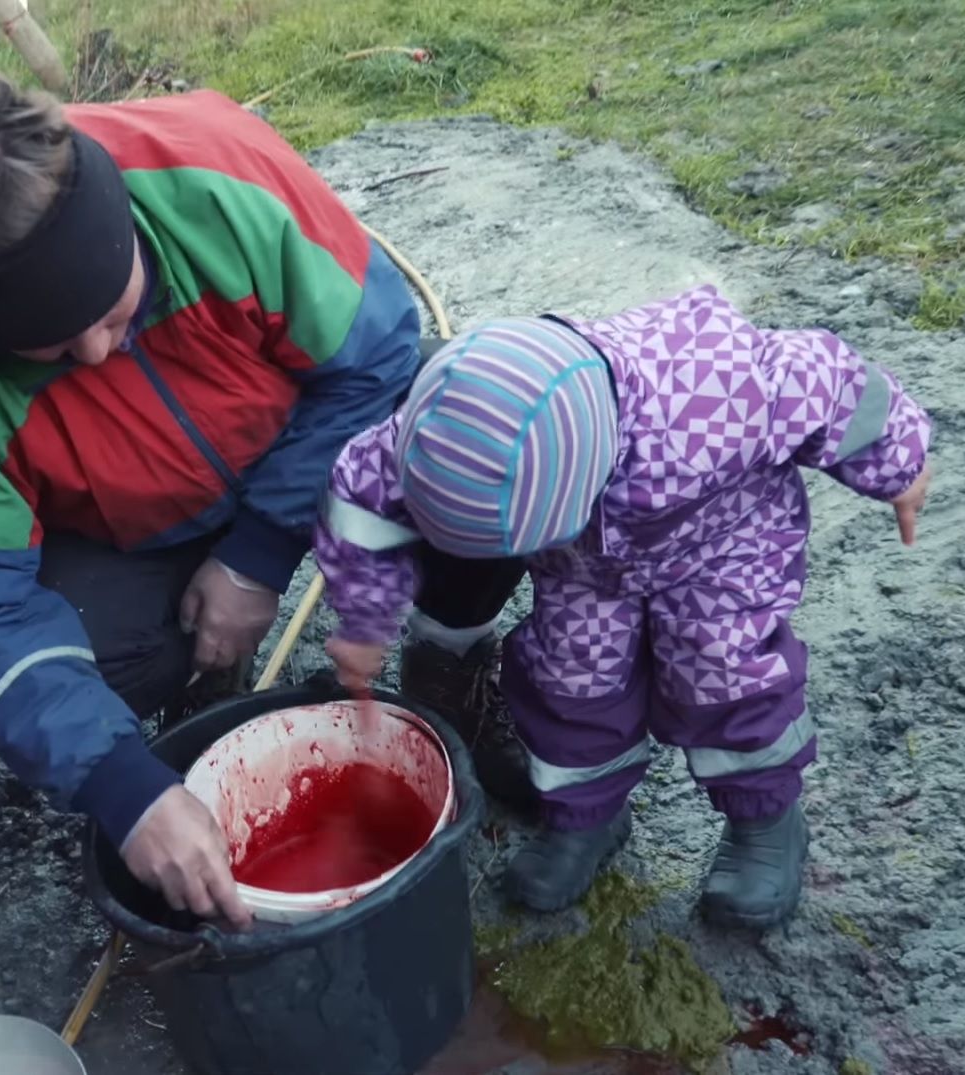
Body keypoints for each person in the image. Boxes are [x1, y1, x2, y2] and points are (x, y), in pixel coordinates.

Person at [0, 70, 523, 927]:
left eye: (116, 315)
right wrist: (124, 787)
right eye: (55, 352)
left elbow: (375, 355)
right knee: (90, 664)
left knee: (487, 435)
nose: (97, 356)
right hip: (136, 534)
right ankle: (203, 685)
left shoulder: (215, 171)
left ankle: (449, 662)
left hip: (311, 448)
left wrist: (257, 553)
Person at [314, 288, 933, 927]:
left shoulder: (712, 395)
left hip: (721, 547)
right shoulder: (439, 429)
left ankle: (765, 821)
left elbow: (833, 382)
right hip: (584, 570)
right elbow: (359, 504)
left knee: (724, 676)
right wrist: (365, 618)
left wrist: (899, 466)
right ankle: (588, 816)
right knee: (566, 679)